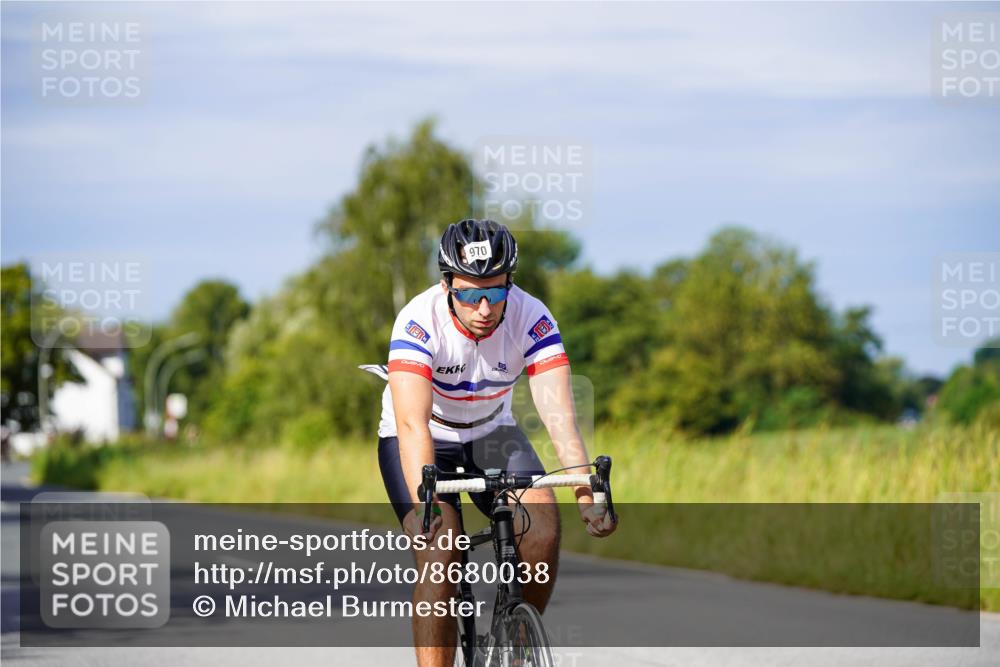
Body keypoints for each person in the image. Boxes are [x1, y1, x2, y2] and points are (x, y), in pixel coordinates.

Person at [377, 218, 617, 667]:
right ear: (447, 284)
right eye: (470, 293)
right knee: (440, 551)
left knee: (542, 524)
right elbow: (412, 425)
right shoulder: (416, 321)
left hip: (492, 432)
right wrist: (425, 505)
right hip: (425, 436)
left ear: (512, 283)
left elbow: (560, 418)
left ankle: (518, 638)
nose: (485, 307)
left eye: (497, 291)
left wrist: (587, 493)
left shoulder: (533, 316)